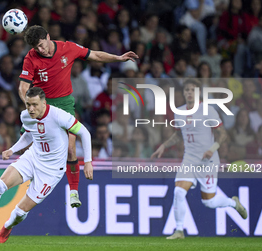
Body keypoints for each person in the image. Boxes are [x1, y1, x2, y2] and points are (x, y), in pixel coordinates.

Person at [18, 25, 138, 207]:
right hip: (42, 105)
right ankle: (33, 177)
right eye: (37, 48)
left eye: (42, 45)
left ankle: (73, 192)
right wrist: (30, 106)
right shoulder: (31, 58)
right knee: (26, 145)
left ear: (48, 37)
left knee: (71, 149)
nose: (40, 50)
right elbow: (23, 87)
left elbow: (95, 55)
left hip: (64, 104)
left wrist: (118, 58)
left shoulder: (68, 48)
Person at [0, 87, 93, 243]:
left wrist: (87, 162)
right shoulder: (26, 116)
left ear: (43, 103)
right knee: (0, 186)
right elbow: (29, 135)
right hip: (33, 157)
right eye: (28, 104)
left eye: (34, 104)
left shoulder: (59, 116)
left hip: (52, 171)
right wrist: (12, 149)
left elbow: (84, 133)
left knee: (20, 212)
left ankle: (7, 226)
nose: (31, 109)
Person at [151, 79, 247, 239]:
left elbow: (223, 134)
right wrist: (164, 145)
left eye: (193, 90)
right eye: (187, 90)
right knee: (178, 192)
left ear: (198, 93)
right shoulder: (179, 111)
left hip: (207, 161)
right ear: (184, 93)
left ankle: (233, 203)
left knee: (209, 202)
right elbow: (178, 134)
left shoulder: (208, 111)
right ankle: (179, 230)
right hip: (189, 159)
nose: (189, 93)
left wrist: (212, 149)